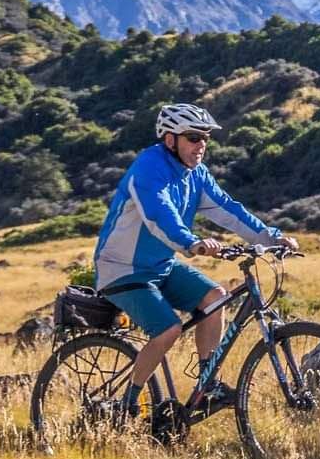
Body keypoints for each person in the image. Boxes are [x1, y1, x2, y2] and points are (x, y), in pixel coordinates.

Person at [93, 102, 289, 413]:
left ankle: (206, 386)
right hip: (121, 270)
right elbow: (159, 214)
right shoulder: (148, 167)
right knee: (168, 330)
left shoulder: (195, 174)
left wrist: (271, 237)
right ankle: (127, 403)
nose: (201, 146)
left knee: (216, 298)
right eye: (194, 138)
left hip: (161, 266)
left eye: (206, 139)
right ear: (170, 139)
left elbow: (229, 210)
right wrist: (192, 242)